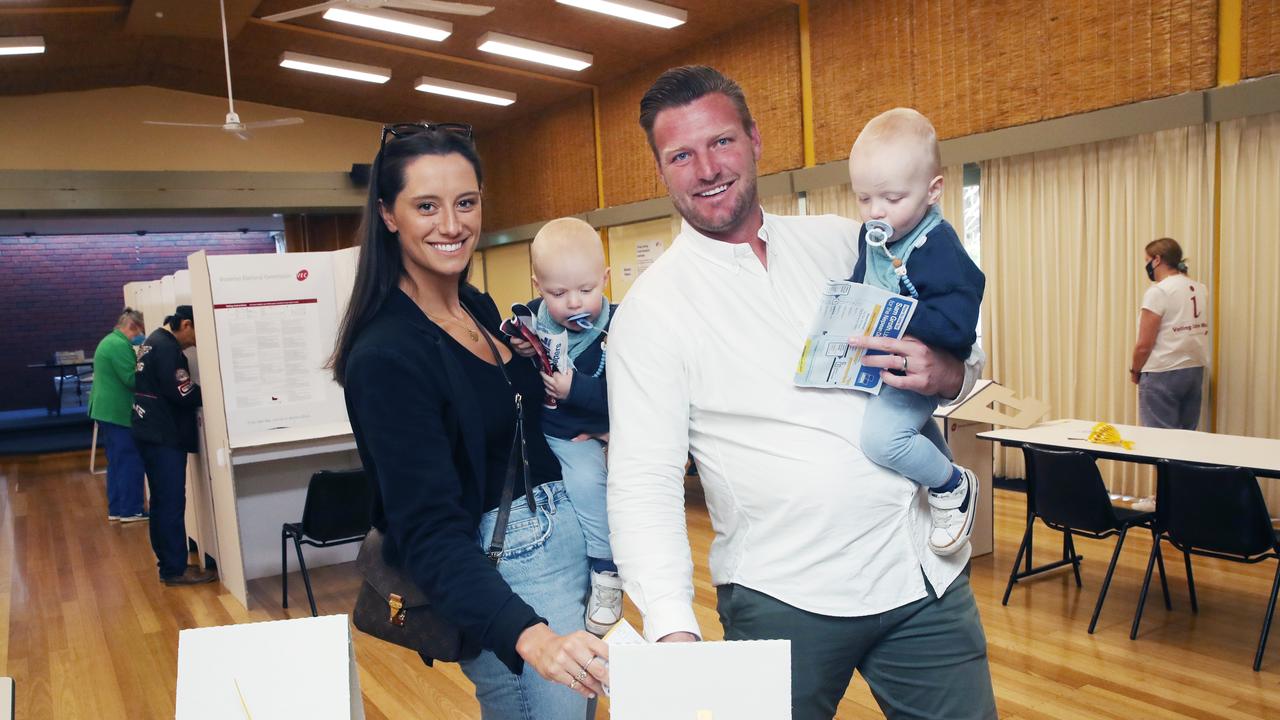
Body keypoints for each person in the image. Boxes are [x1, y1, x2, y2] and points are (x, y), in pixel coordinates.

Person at [607, 66, 997, 720]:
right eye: (681, 154)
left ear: (755, 140)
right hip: (781, 598)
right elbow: (644, 479)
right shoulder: (653, 310)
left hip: (920, 576)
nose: (706, 167)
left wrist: (951, 375)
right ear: (662, 170)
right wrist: (673, 625)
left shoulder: (847, 242)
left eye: (722, 142)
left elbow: (959, 353)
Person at [330, 122, 608, 718]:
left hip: (563, 539)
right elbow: (427, 530)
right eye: (426, 206)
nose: (452, 224)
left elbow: (523, 422)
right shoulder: (386, 355)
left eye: (466, 202)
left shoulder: (477, 307)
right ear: (387, 215)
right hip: (505, 570)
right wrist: (529, 635)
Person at [846, 108, 986, 556]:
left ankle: (952, 485)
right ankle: (942, 470)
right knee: (911, 431)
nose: (876, 212)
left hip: (918, 365)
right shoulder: (876, 237)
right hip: (886, 363)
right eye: (864, 199)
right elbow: (861, 282)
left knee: (882, 440)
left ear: (933, 190)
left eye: (890, 198)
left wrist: (897, 312)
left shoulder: (937, 244)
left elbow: (959, 329)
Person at [519, 216, 623, 636]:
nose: (575, 303)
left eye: (587, 290)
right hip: (540, 437)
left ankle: (606, 570)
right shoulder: (533, 321)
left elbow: (624, 398)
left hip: (584, 435)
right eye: (558, 293)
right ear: (538, 285)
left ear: (605, 278)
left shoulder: (619, 326)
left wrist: (573, 388)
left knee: (586, 485)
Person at [132, 305, 215, 586]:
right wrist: (214, 393)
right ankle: (174, 569)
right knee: (170, 503)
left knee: (161, 502)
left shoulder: (153, 341)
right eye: (197, 332)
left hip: (150, 432)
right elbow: (182, 392)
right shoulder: (167, 349)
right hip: (163, 435)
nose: (198, 340)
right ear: (186, 325)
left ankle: (169, 563)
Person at [1130, 237, 1209, 429]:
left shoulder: (1159, 291)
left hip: (1162, 371)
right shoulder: (1200, 288)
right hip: (1193, 369)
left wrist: (1135, 370)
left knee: (1161, 443)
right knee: (1187, 438)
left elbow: (1144, 344)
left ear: (1156, 260)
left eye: (1146, 260)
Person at [89, 307, 149, 523]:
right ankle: (131, 510)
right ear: (132, 327)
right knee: (129, 461)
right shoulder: (118, 345)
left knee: (116, 462)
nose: (140, 338)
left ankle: (117, 508)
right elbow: (131, 379)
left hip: (107, 410)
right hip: (117, 411)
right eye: (139, 332)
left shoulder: (110, 341)